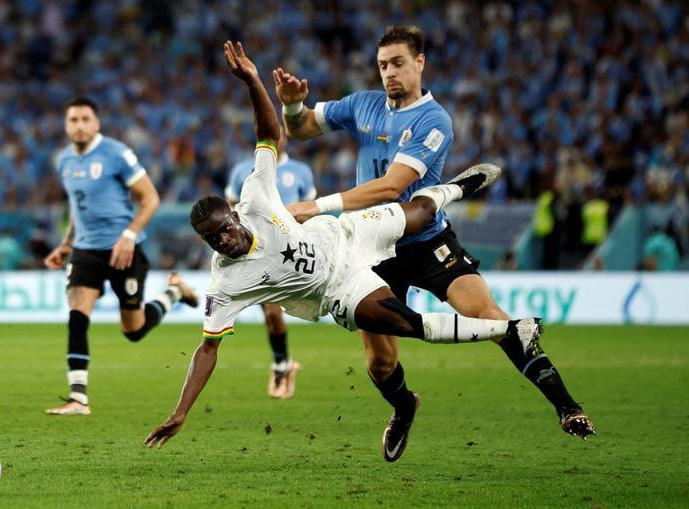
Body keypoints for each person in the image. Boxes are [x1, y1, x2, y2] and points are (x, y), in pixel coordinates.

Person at [144, 42, 541, 458]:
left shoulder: (254, 196)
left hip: (345, 235)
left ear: (234, 215)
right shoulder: (225, 281)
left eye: (223, 229)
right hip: (338, 290)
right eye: (212, 239)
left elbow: (268, 132)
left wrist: (253, 80)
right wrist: (181, 412)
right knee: (408, 327)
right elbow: (208, 349)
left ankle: (458, 187)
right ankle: (507, 331)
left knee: (419, 210)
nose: (222, 240)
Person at [273, 25, 594, 458]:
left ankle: (567, 407)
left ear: (420, 63)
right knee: (379, 363)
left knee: (490, 316)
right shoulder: (363, 104)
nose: (389, 72)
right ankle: (405, 408)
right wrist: (293, 104)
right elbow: (302, 128)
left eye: (398, 63)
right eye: (383, 64)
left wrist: (318, 205)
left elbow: (391, 187)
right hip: (371, 254)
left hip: (426, 240)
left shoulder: (433, 120)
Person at [43, 97, 199, 416]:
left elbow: (151, 198)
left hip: (123, 250)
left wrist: (128, 236)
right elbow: (78, 207)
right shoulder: (64, 162)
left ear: (97, 123)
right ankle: (78, 398)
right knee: (77, 314)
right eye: (73, 120)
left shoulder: (116, 153)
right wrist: (66, 244)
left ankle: (174, 293)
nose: (79, 125)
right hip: (86, 250)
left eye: (86, 119)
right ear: (66, 125)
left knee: (134, 331)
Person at [225, 134, 316, 399]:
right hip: (262, 252)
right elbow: (230, 209)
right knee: (272, 313)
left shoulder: (300, 171)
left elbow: (310, 208)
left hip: (296, 250)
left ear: (287, 137)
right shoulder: (243, 170)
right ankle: (282, 365)